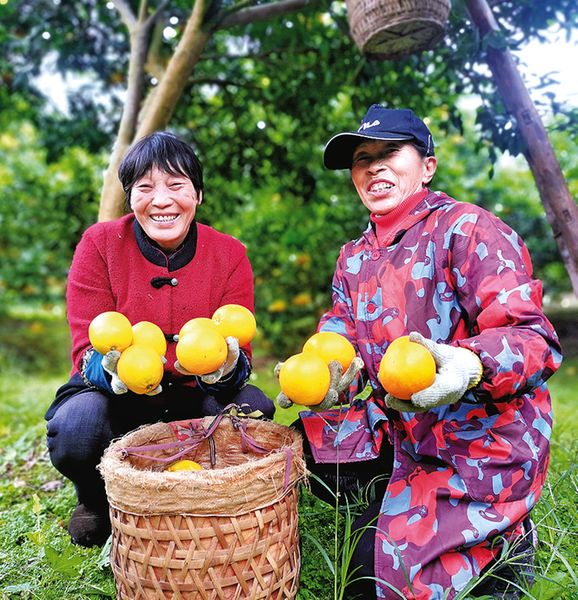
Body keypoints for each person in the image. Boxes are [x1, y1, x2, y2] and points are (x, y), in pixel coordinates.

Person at [281, 105, 562, 599]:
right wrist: (328, 373)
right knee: (290, 457)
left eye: (390, 152)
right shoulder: (354, 256)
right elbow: (340, 329)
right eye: (362, 158)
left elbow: (532, 339)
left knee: (370, 573)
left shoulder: (468, 230)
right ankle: (387, 497)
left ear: (427, 166)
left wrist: (469, 365)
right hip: (400, 427)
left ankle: (506, 542)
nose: (374, 167)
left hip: (477, 437)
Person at [45, 131, 275, 548]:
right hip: (116, 396)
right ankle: (97, 499)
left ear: (198, 194)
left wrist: (222, 367)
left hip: (192, 395)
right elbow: (85, 349)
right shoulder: (99, 245)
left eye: (176, 185)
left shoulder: (229, 254)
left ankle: (210, 499)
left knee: (253, 410)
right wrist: (114, 370)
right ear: (130, 197)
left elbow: (242, 354)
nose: (161, 200)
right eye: (145, 187)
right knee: (77, 428)